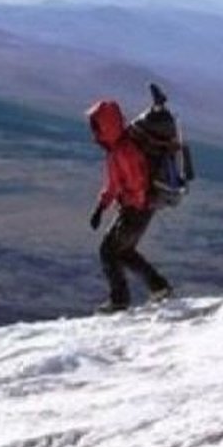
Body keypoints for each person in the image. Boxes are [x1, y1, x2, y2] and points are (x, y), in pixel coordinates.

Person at [86, 98, 174, 313]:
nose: (94, 131)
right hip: (139, 208)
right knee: (124, 251)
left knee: (108, 250)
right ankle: (159, 286)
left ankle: (120, 300)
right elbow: (114, 184)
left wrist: (129, 206)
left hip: (136, 209)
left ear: (106, 126)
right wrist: (101, 207)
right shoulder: (119, 149)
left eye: (96, 126)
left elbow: (135, 183)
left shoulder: (123, 152)